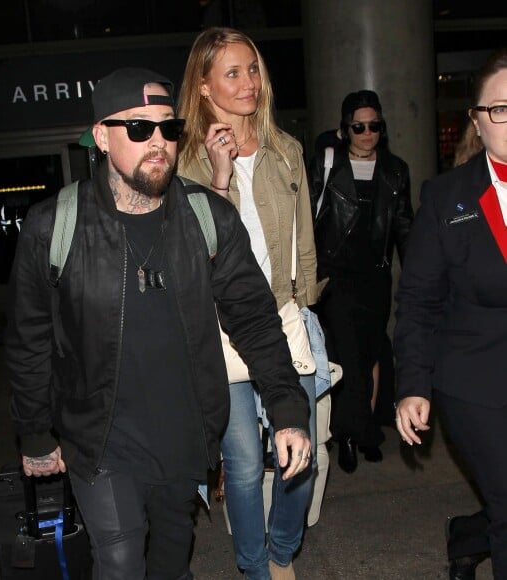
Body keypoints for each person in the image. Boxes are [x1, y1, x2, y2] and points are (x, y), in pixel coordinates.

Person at [5, 66, 312, 580]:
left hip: (184, 437)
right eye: (139, 128)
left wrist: (286, 405)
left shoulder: (207, 218)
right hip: (99, 438)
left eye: (169, 128)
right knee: (121, 560)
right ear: (102, 137)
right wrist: (35, 432)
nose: (160, 143)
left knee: (171, 564)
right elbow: (28, 340)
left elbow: (255, 319)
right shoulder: (54, 225)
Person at [177, 27, 324, 580]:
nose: (248, 83)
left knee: (300, 452)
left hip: (284, 317)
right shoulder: (183, 163)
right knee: (240, 468)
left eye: (253, 69)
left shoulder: (286, 150)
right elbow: (196, 252)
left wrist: (307, 306)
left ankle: (282, 549)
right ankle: (255, 569)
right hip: (219, 329)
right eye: (233, 73)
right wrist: (218, 178)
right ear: (205, 86)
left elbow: (304, 239)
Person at [394, 47, 507, 580]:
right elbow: (419, 300)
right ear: (477, 121)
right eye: (500, 108)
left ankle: (466, 537)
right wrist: (413, 383)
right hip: (478, 381)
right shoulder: (447, 198)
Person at [307, 90, 414, 474]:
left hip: (376, 278)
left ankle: (362, 427)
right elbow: (306, 218)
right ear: (344, 129)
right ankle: (353, 435)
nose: (367, 133)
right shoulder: (327, 163)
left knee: (369, 352)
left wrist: (418, 273)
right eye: (359, 126)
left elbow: (404, 226)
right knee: (348, 355)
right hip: (336, 276)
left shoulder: (396, 170)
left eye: (374, 126)